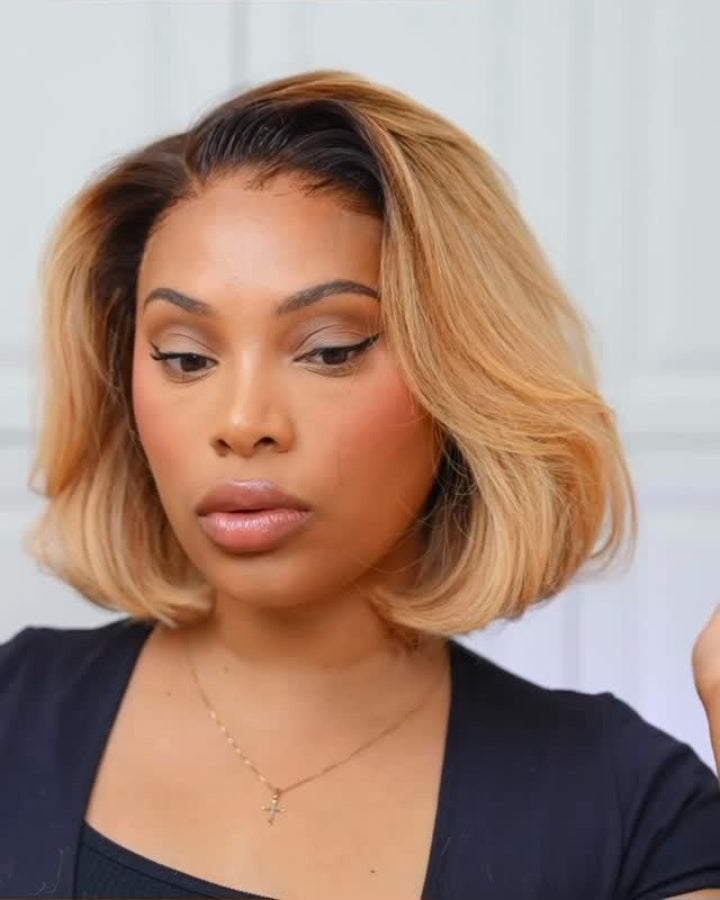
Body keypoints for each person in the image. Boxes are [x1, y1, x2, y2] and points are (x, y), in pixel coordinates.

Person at [1, 69, 718, 900]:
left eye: (331, 349)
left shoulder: (630, 813)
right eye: (186, 358)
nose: (242, 421)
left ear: (462, 377)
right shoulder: (15, 714)